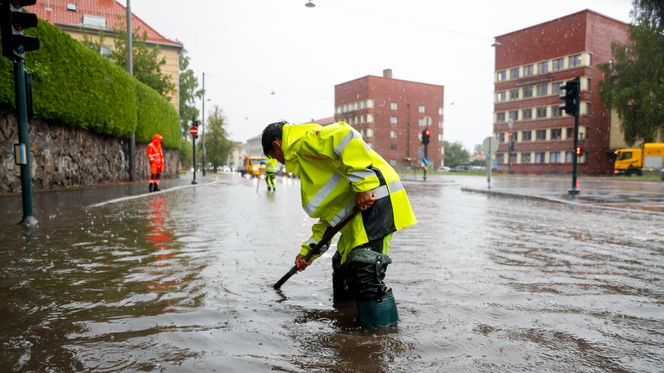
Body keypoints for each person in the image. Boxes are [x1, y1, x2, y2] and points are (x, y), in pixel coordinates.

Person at [262, 120, 416, 328]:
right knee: (342, 268)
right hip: (358, 217)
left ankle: (380, 337)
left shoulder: (305, 142)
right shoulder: (309, 165)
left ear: (277, 145)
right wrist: (308, 253)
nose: (280, 163)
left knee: (365, 269)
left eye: (276, 157)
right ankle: (348, 323)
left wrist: (364, 186)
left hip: (377, 200)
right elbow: (330, 218)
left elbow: (346, 136)